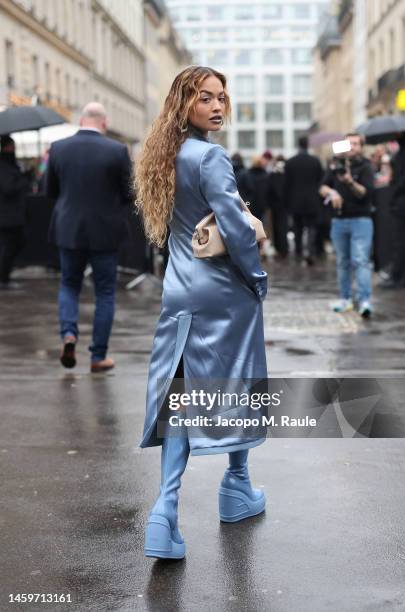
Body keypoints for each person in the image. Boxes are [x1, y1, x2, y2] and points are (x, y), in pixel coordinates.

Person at [135, 66, 268, 560]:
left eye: (221, 97)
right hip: (222, 293)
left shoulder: (163, 156)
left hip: (179, 291)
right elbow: (234, 228)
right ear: (184, 103)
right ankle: (236, 486)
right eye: (205, 97)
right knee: (240, 379)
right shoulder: (210, 156)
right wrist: (256, 278)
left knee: (180, 394)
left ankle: (163, 514)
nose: (216, 106)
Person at [46, 102, 133, 372]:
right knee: (105, 292)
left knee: (69, 284)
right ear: (104, 123)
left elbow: (49, 190)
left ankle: (69, 335)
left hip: (69, 228)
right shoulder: (117, 150)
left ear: (81, 120)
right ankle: (98, 356)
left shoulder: (58, 148)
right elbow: (129, 193)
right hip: (105, 230)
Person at [320, 133, 375, 318]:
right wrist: (332, 192)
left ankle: (364, 301)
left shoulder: (366, 166)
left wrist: (350, 181)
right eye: (348, 143)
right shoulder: (335, 165)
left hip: (361, 219)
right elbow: (322, 187)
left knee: (360, 261)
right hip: (339, 220)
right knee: (343, 263)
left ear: (361, 147)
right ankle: (345, 299)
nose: (351, 147)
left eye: (355, 144)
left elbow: (366, 194)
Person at [284, 135, 323, 265]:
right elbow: (320, 181)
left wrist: (287, 202)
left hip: (295, 202)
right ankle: (311, 252)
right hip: (312, 201)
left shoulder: (290, 162)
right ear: (308, 145)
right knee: (312, 228)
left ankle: (299, 253)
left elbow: (286, 184)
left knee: (297, 229)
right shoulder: (315, 161)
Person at [378, 134, 405, 288]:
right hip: (401, 203)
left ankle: (398, 277)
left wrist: (395, 189)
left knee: (400, 241)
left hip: (402, 204)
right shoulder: (401, 151)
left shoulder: (404, 152)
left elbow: (404, 178)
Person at [0, 135, 29, 289]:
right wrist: (23, 179)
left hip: (12, 215)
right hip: (7, 216)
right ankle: (3, 278)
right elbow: (8, 188)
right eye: (12, 146)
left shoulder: (11, 165)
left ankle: (4, 276)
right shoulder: (4, 166)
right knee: (9, 245)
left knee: (13, 244)